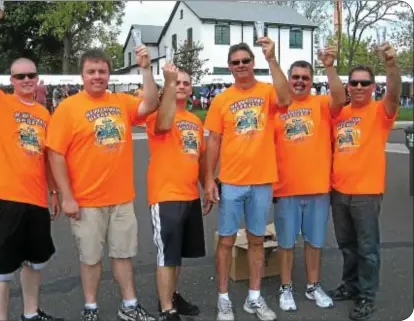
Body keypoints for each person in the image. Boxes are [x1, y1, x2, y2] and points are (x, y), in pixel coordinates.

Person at [0, 3, 60, 321]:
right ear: (12, 79)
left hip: (36, 201)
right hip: (5, 198)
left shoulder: (45, 113)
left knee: (35, 263)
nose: (27, 79)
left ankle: (30, 314)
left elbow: (47, 157)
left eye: (32, 74)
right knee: (1, 268)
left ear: (37, 77)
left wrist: (55, 192)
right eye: (21, 76)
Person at [46, 47, 159, 321]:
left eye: (102, 71)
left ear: (109, 74)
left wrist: (146, 69)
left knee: (123, 255)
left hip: (121, 198)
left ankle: (129, 305)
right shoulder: (68, 108)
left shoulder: (121, 101)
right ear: (82, 75)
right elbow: (55, 153)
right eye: (91, 71)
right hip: (86, 201)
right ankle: (91, 308)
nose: (97, 76)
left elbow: (151, 104)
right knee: (90, 258)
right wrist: (66, 196)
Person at [204, 38, 292, 321]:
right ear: (229, 67)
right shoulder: (222, 99)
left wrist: (273, 59)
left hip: (262, 180)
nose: (241, 66)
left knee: (256, 240)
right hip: (231, 181)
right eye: (235, 62)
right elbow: (214, 142)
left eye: (245, 61)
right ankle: (223, 298)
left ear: (253, 63)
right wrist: (208, 179)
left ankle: (254, 297)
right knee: (227, 241)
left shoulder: (266, 91)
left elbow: (286, 98)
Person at [328, 43, 401, 321]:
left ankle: (366, 296)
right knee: (347, 245)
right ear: (348, 87)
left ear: (372, 87)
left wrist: (391, 65)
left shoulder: (380, 112)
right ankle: (351, 285)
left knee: (367, 248)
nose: (358, 87)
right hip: (339, 191)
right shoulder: (340, 114)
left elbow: (394, 92)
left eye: (364, 83)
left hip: (366, 194)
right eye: (354, 83)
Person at [272, 46, 347, 311]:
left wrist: (329, 66)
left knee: (315, 243)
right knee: (286, 243)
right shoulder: (278, 107)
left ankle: (313, 286)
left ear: (311, 81)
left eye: (305, 77)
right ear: (289, 79)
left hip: (317, 188)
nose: (300, 81)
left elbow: (340, 97)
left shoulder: (321, 104)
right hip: (286, 189)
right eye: (296, 77)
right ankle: (286, 287)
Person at [146, 65, 211, 321]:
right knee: (167, 254)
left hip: (190, 195)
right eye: (177, 82)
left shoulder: (195, 121)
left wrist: (207, 186)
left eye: (185, 83)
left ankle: (173, 295)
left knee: (178, 253)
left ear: (191, 88)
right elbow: (163, 125)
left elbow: (201, 157)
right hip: (165, 196)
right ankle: (166, 310)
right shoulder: (158, 115)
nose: (181, 85)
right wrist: (169, 84)